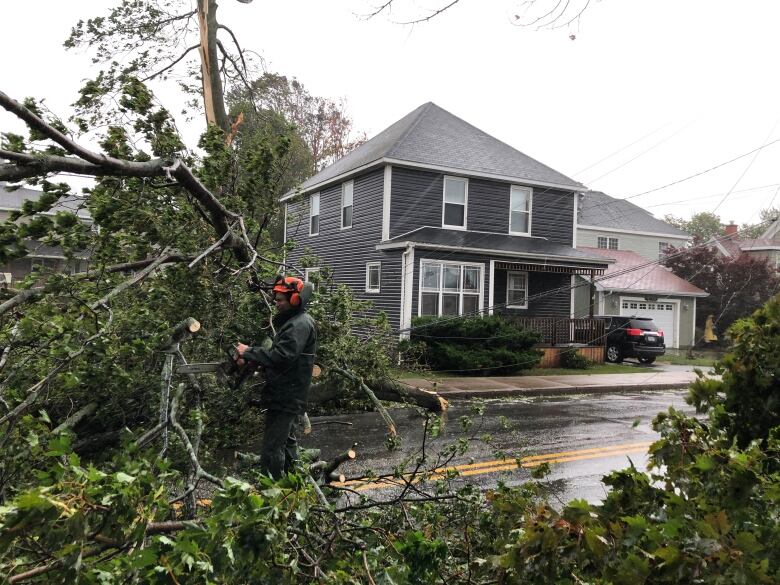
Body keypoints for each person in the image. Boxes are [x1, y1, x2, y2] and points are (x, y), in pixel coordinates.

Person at [235, 275, 316, 479]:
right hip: (285, 392)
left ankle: (272, 492)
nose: (277, 304)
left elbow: (282, 356)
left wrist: (249, 351)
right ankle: (296, 487)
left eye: (280, 300)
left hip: (286, 395)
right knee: (288, 445)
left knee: (272, 450)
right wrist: (255, 360)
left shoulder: (299, 324)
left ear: (294, 300)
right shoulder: (294, 322)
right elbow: (282, 357)